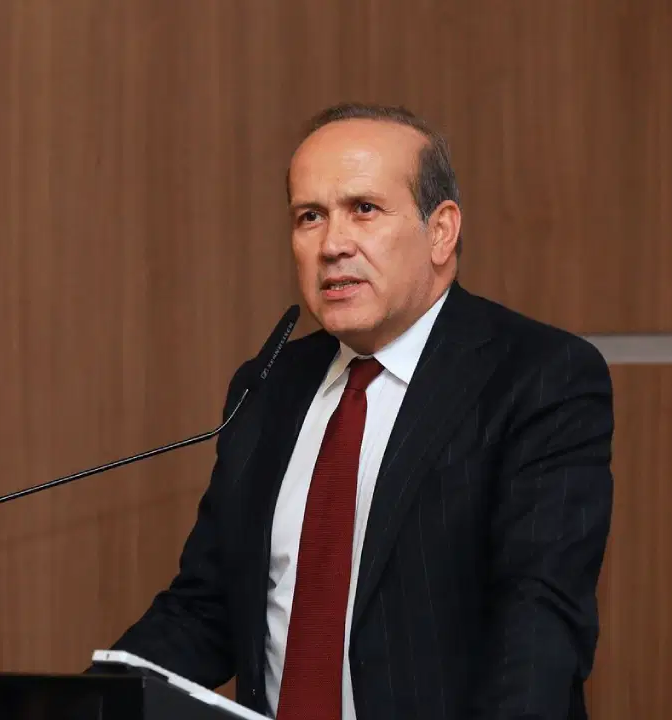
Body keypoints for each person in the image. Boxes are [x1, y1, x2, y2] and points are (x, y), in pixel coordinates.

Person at [105, 103, 614, 719]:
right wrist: (83, 703)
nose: (332, 245)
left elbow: (539, 621)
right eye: (310, 217)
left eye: (364, 209)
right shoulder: (270, 384)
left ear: (441, 231)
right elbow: (208, 607)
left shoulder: (538, 376)